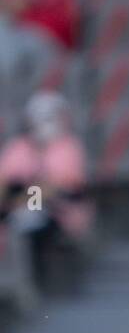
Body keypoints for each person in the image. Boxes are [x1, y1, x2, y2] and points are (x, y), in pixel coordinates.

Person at [0, 90, 93, 294]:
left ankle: (36, 285)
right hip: (18, 208)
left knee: (34, 227)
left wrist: (19, 201)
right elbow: (5, 180)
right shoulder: (19, 147)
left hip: (60, 214)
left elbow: (55, 187)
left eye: (51, 117)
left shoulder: (69, 147)